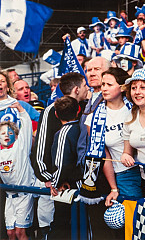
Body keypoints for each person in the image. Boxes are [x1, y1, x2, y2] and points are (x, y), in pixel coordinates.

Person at [31, 73, 89, 239]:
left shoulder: (87, 107)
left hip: (84, 184)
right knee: (62, 225)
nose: (87, 89)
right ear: (77, 89)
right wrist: (51, 179)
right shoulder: (51, 110)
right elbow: (40, 149)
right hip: (61, 186)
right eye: (85, 86)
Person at [84, 68, 142, 206]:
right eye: (103, 84)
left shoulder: (137, 108)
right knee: (133, 217)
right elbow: (104, 155)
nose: (104, 88)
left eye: (109, 85)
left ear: (122, 88)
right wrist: (114, 187)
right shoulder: (93, 118)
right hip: (125, 174)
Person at [50, 96, 83, 240]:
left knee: (62, 226)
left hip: (71, 187)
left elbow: (60, 162)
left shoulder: (63, 133)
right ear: (78, 111)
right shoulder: (82, 128)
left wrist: (55, 183)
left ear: (56, 114)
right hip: (81, 183)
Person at [0, 101, 34, 240]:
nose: (6, 135)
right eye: (2, 133)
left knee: (20, 233)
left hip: (23, 196)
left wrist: (20, 109)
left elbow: (26, 126)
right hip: (9, 197)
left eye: (9, 132)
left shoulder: (21, 147)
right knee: (10, 233)